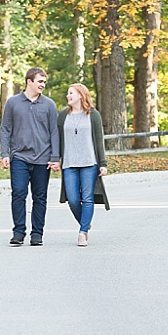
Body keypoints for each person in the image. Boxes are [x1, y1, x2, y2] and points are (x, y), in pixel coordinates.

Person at [0, 67, 60, 247]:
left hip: (43, 158)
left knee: (40, 197)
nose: (43, 85)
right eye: (40, 81)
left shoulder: (49, 105)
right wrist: (4, 153)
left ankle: (37, 234)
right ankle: (18, 232)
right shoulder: (13, 103)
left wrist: (55, 157)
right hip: (19, 156)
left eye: (44, 82)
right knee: (19, 193)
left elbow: (54, 132)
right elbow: (5, 129)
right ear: (29, 81)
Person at [57, 83, 109, 247]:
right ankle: (85, 222)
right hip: (69, 163)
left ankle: (82, 232)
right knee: (73, 199)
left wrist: (103, 163)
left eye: (71, 93)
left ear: (80, 95)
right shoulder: (63, 115)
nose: (68, 96)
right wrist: (56, 158)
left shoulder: (93, 115)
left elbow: (99, 140)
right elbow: (58, 139)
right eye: (68, 93)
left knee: (87, 198)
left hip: (89, 163)